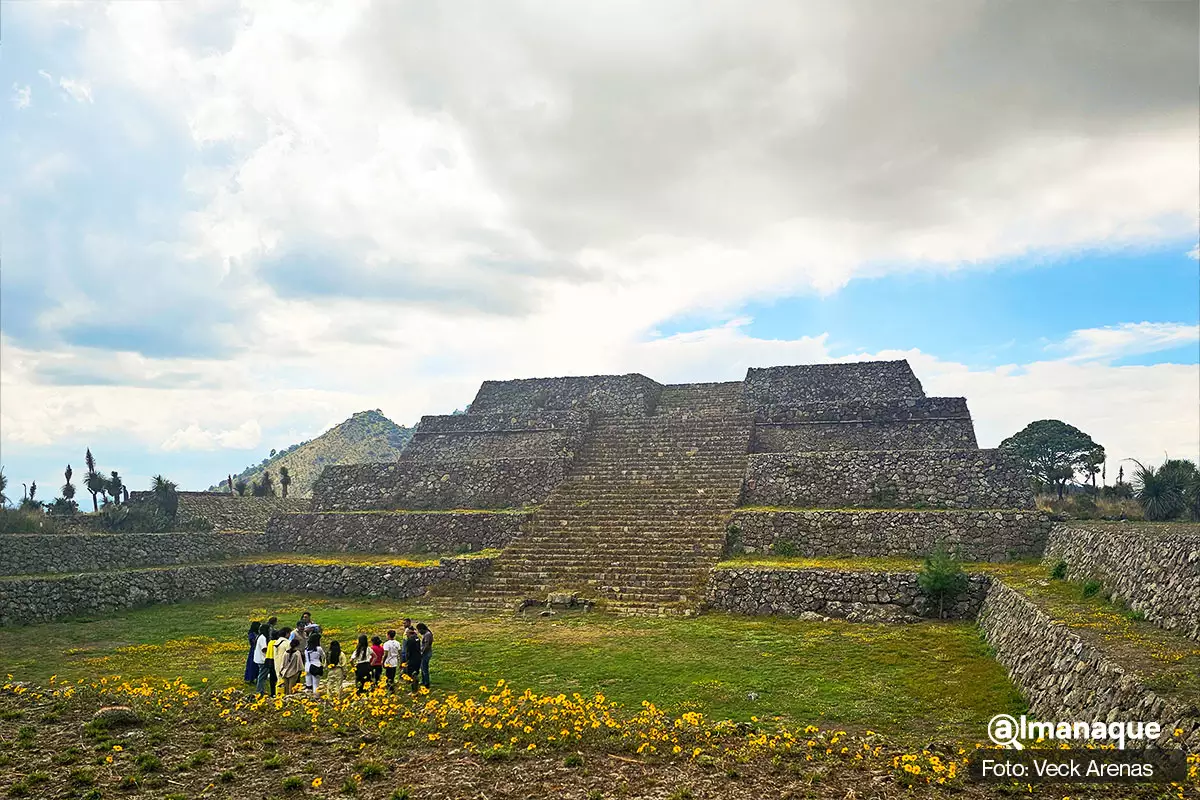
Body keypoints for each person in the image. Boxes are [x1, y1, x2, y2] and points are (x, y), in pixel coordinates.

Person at [272, 627, 292, 695]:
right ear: (286, 634)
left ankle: (278, 695)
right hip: (285, 665)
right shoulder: (287, 643)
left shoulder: (277, 642)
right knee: (285, 683)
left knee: (279, 681)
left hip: (277, 664)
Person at [401, 627, 422, 693]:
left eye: (406, 633)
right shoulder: (417, 638)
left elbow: (408, 651)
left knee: (412, 675)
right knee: (415, 673)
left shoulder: (410, 640)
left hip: (412, 659)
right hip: (418, 658)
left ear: (409, 633)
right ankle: (416, 688)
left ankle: (414, 690)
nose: (406, 634)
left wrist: (406, 660)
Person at [253, 623, 270, 695]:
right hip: (262, 659)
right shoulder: (263, 638)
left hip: (259, 658)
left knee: (262, 676)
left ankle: (261, 690)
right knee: (262, 676)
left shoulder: (260, 636)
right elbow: (264, 649)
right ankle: (259, 691)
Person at [416, 622, 433, 689]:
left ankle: (426, 683)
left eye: (419, 630)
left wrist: (422, 652)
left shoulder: (427, 635)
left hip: (426, 654)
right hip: (425, 653)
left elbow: (427, 645)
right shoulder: (426, 634)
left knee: (424, 668)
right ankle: (423, 681)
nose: (419, 632)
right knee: (422, 668)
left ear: (422, 629)